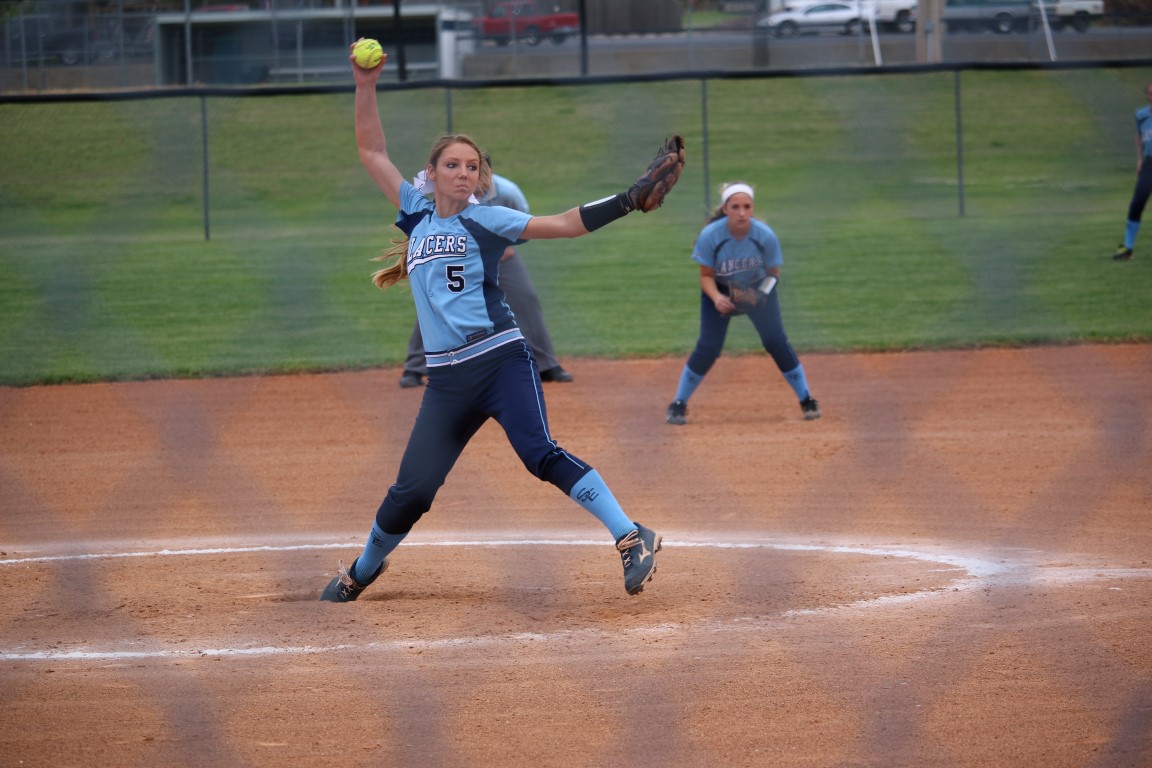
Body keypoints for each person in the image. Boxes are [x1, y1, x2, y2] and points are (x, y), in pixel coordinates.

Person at [320, 43, 683, 602]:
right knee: (412, 490)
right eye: (452, 165)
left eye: (472, 167)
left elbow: (564, 223)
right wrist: (364, 84)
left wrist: (628, 200)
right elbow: (371, 150)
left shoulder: (488, 220)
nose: (464, 173)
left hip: (499, 359)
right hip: (447, 380)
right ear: (432, 174)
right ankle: (362, 570)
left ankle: (632, 536)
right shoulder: (416, 212)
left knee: (538, 453)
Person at [398, 168, 573, 388]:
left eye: (477, 170)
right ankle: (415, 367)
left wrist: (503, 246)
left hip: (503, 256)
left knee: (525, 300)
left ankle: (546, 364)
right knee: (437, 304)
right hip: (456, 258)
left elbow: (525, 223)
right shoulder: (447, 189)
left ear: (489, 174)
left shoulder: (507, 191)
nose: (471, 176)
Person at [665, 181, 820, 426]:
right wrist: (717, 298)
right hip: (720, 290)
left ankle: (807, 399)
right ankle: (678, 403)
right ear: (725, 209)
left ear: (752, 208)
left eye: (747, 207)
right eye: (735, 207)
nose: (741, 212)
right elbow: (706, 277)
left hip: (758, 288)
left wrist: (761, 295)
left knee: (776, 341)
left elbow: (774, 273)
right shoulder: (711, 235)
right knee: (708, 348)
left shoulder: (765, 236)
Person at [1112, 81, 1152, 262]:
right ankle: (1127, 248)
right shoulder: (1141, 115)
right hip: (1150, 164)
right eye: (1149, 93)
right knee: (1137, 203)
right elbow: (1139, 137)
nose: (1151, 96)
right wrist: (1139, 160)